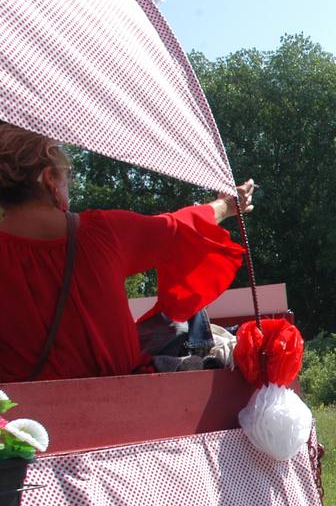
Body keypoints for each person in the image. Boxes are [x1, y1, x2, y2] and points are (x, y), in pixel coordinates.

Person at [0, 123, 253, 382]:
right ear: (49, 178)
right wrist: (226, 205)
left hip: (21, 419)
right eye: (66, 173)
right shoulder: (102, 233)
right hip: (124, 402)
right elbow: (180, 226)